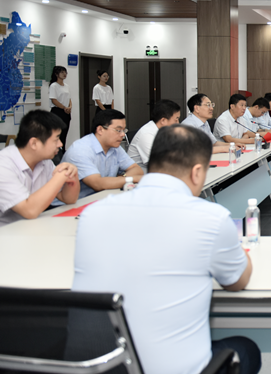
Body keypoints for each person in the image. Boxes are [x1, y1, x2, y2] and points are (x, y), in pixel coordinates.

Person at [72, 125, 260, 374]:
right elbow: (238, 281)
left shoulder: (92, 215)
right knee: (247, 350)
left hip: (98, 366)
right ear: (197, 172)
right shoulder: (211, 218)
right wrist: (239, 249)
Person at [0, 110, 79, 225]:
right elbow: (29, 210)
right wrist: (60, 177)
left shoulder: (45, 162)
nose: (60, 144)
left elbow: (68, 199)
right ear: (34, 143)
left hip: (30, 226)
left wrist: (71, 174)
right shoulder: (4, 165)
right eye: (56, 139)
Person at [62, 109, 144, 199]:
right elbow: (97, 184)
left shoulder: (114, 147)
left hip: (101, 197)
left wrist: (119, 179)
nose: (123, 134)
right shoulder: (80, 150)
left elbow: (137, 169)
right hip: (74, 203)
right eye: (118, 130)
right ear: (100, 130)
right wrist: (132, 178)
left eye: (124, 130)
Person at [128, 100, 182, 169]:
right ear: (163, 120)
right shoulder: (146, 134)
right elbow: (158, 162)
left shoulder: (164, 131)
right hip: (142, 172)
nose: (178, 123)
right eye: (176, 119)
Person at [48, 66, 72, 146]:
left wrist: (70, 107)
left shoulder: (67, 86)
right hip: (57, 112)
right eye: (62, 72)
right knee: (57, 135)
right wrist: (64, 107)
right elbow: (54, 100)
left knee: (64, 135)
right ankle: (56, 152)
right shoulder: (53, 86)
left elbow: (69, 98)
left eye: (65, 72)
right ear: (56, 74)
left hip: (66, 112)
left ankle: (63, 150)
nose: (64, 74)